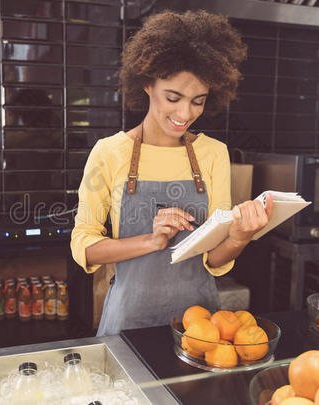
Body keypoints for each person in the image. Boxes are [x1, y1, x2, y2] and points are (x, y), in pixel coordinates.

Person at [70, 10, 273, 336]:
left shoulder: (213, 153)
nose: (185, 113)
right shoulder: (109, 153)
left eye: (198, 101)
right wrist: (151, 240)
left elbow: (215, 260)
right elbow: (85, 246)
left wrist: (239, 237)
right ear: (147, 82)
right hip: (129, 322)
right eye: (173, 97)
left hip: (201, 327)